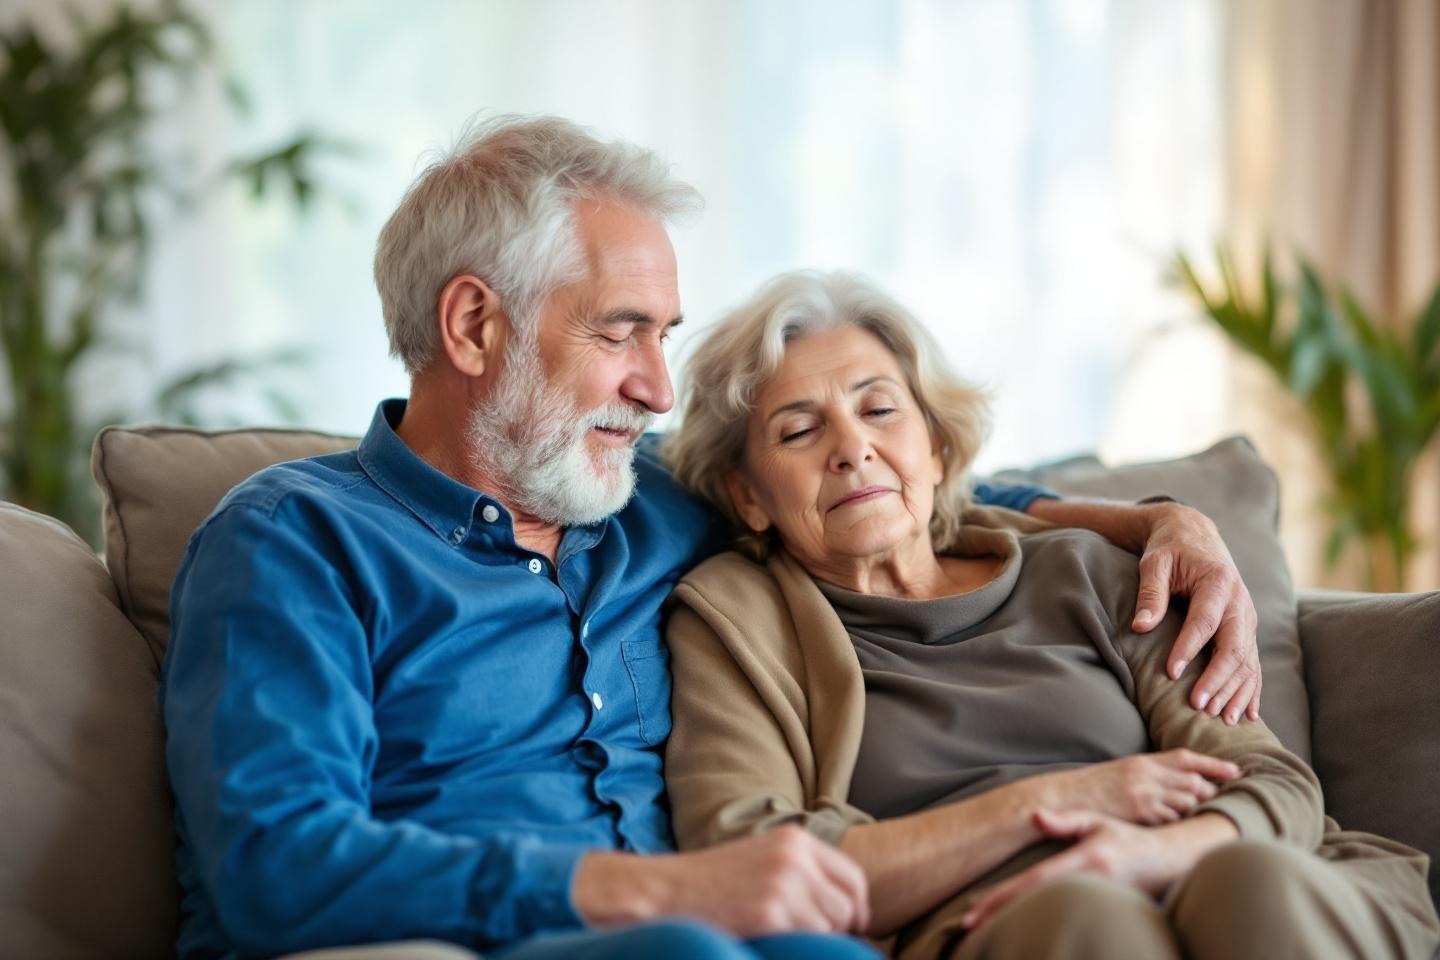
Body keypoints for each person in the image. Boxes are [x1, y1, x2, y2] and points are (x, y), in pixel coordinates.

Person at [161, 116, 1263, 960]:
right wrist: (654, 892)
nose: (655, 388)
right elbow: (275, 860)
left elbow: (888, 488)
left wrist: (1158, 521)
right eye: (621, 333)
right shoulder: (293, 541)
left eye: (665, 337)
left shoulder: (644, 494)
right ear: (473, 325)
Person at [661, 269, 1440, 960]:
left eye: (880, 410)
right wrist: (1049, 804)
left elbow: (1270, 778)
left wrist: (1150, 855)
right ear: (748, 495)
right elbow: (750, 858)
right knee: (1086, 915)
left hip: (1216, 868)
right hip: (1001, 923)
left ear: (937, 447)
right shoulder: (734, 619)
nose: (852, 447)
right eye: (799, 430)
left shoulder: (1088, 570)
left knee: (1252, 882)